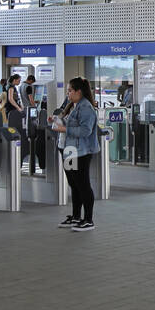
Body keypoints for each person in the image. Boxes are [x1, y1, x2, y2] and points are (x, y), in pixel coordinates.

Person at [53, 77, 99, 231]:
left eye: (70, 91)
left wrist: (64, 129)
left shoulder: (86, 107)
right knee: (73, 184)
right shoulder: (72, 105)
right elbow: (70, 123)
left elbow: (86, 131)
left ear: (79, 91)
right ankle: (76, 216)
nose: (68, 94)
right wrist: (58, 122)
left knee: (83, 184)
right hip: (68, 150)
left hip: (80, 152)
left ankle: (88, 219)